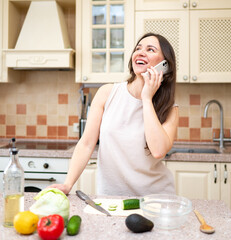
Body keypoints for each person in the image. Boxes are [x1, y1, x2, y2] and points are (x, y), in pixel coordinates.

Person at [49, 33, 179, 196]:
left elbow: (158, 151)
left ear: (165, 65)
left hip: (155, 198)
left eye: (150, 49)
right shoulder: (107, 93)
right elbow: (87, 143)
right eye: (138, 48)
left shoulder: (170, 108)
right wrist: (68, 184)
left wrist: (147, 98)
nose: (140, 52)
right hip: (111, 196)